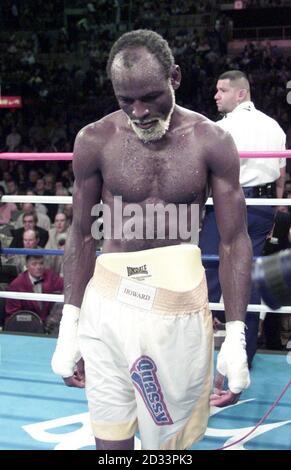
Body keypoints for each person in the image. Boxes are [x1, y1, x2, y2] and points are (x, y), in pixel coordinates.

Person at [51, 30, 252, 451]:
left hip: (175, 307)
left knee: (170, 446)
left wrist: (236, 334)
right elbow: (83, 233)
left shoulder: (210, 141)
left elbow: (234, 241)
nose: (139, 112)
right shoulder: (95, 140)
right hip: (107, 302)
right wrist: (69, 322)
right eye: (126, 100)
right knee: (111, 440)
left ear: (175, 78)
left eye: (150, 97)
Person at [200, 70, 286, 368]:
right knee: (245, 277)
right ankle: (243, 356)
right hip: (263, 206)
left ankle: (192, 352)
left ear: (241, 94)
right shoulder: (274, 126)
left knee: (208, 272)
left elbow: (206, 170)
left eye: (222, 90)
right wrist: (274, 209)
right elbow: (280, 172)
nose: (216, 95)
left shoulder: (221, 128)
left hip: (230, 202)